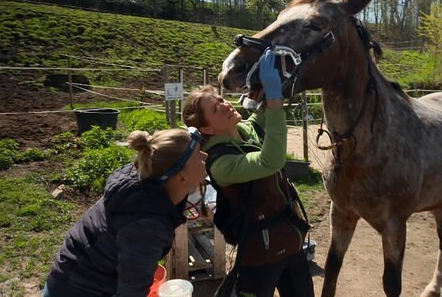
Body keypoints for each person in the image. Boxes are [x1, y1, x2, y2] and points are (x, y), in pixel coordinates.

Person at [181, 50, 314, 297]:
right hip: (261, 252)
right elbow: (270, 161)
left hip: (290, 240)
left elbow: (261, 117)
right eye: (216, 108)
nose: (225, 104)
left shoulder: (243, 130)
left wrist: (268, 85)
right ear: (207, 128)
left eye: (221, 100)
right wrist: (273, 100)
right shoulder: (221, 163)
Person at [43, 127, 208, 297]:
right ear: (181, 177)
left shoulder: (142, 179)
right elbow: (131, 292)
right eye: (198, 157)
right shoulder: (147, 226)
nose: (205, 156)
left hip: (70, 276)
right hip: (78, 290)